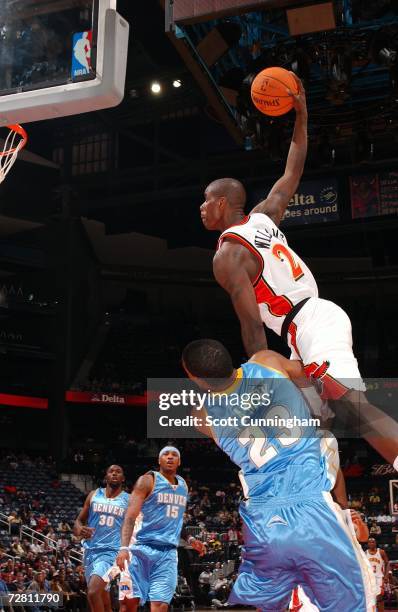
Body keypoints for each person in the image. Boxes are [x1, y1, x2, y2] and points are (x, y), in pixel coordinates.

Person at [200, 76, 398, 468]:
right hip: (300, 331)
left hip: (310, 322)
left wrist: (261, 374)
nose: (201, 208)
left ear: (223, 204)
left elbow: (251, 325)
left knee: (350, 406)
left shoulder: (227, 255)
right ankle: (328, 506)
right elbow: (292, 172)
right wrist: (302, 117)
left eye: (206, 201)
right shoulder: (262, 217)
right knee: (313, 426)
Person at [182, 338, 375, 611]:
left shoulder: (201, 417)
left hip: (263, 520)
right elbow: (311, 375)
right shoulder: (266, 361)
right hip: (311, 508)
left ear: (194, 377)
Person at [116, 447, 188, 612]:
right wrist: (123, 548)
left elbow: (177, 520)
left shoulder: (183, 485)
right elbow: (129, 517)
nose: (170, 457)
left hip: (167, 553)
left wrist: (190, 539)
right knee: (128, 604)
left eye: (174, 455)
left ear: (179, 461)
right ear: (159, 460)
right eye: (165, 454)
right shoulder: (147, 480)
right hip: (140, 551)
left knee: (160, 605)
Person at [73, 465, 129, 612]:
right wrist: (80, 529)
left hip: (111, 552)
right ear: (106, 477)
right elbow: (78, 522)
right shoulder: (93, 495)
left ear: (123, 478)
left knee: (92, 592)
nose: (115, 474)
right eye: (111, 471)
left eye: (118, 472)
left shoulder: (128, 500)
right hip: (90, 551)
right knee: (102, 599)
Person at [366, 538, 389, 612]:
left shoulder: (381, 552)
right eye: (369, 542)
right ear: (368, 544)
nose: (371, 543)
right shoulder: (365, 553)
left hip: (379, 578)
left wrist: (386, 575)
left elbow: (387, 563)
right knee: (370, 598)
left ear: (375, 543)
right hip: (369, 578)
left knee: (379, 597)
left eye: (373, 542)